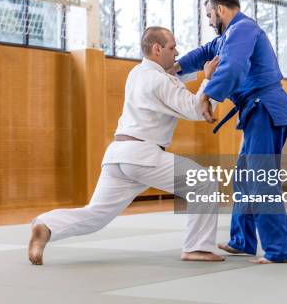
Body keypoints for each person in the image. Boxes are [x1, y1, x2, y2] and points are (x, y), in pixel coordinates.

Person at [28, 26, 222, 265]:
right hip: (143, 156)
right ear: (157, 48)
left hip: (118, 156)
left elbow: (172, 77)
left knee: (96, 214)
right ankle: (198, 248)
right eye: (172, 48)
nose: (177, 52)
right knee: (203, 182)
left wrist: (193, 71)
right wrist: (210, 79)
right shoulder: (159, 81)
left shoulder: (137, 73)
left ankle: (46, 225)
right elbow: (195, 109)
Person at [174, 0, 287, 264]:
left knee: (261, 179)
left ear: (220, 9)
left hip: (265, 107)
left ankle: (279, 250)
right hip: (256, 110)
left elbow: (234, 66)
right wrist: (172, 68)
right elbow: (203, 54)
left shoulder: (242, 29)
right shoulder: (226, 38)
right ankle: (242, 240)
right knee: (244, 178)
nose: (208, 21)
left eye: (209, 15)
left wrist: (207, 94)